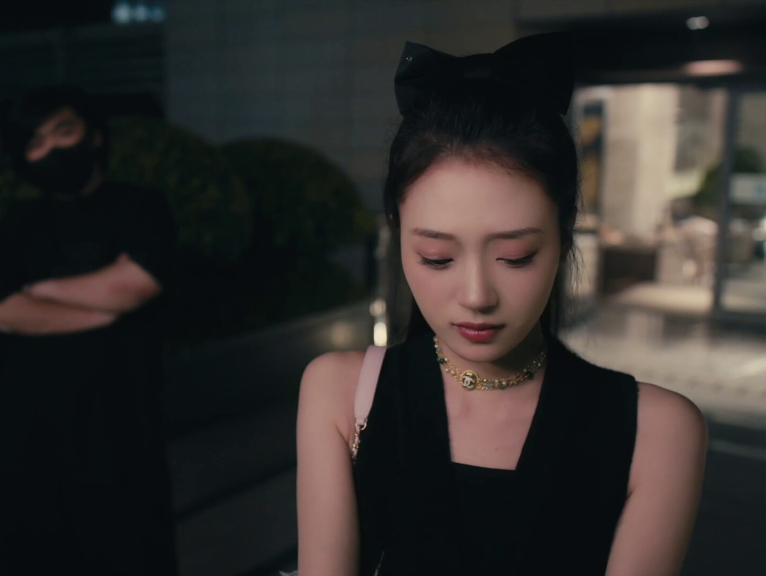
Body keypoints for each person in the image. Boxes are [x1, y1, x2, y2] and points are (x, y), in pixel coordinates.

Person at [296, 34, 707, 576]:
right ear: (397, 235)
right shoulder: (343, 396)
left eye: (515, 257)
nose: (476, 296)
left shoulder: (657, 431)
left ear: (563, 235)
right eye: (438, 258)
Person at [0, 85, 179, 575]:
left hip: (118, 427)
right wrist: (98, 308)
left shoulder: (141, 206)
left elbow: (136, 285)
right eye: (36, 142)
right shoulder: (16, 223)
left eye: (64, 132)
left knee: (130, 556)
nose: (53, 150)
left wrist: (40, 291)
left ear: (94, 134)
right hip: (22, 432)